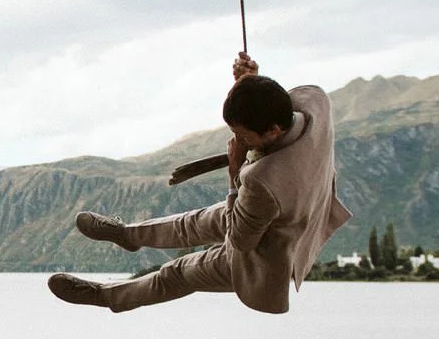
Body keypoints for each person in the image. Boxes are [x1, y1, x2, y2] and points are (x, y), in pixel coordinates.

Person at [47, 54, 350, 314]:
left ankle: (107, 296)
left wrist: (234, 172)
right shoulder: (315, 102)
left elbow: (240, 241)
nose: (237, 142)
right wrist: (248, 83)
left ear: (272, 131)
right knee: (194, 222)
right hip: (291, 204)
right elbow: (269, 103)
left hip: (267, 252)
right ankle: (127, 235)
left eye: (244, 137)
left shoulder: (263, 182)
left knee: (179, 272)